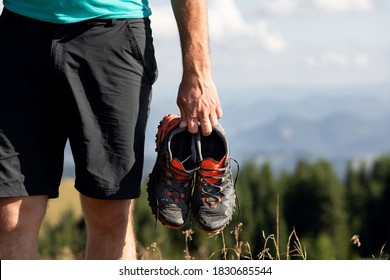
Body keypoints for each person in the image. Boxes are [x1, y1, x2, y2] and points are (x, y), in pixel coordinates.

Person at [0, 0, 222, 260]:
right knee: (8, 214)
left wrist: (198, 73)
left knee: (109, 214)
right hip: (20, 28)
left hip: (113, 32)